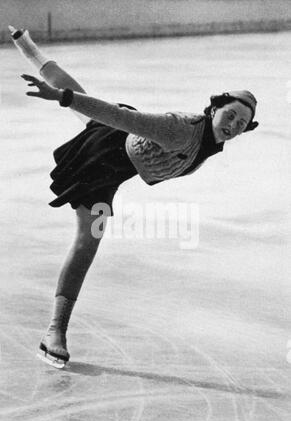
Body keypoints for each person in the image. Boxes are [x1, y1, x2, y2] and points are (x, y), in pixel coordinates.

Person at [10, 26, 259, 368]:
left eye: (242, 123)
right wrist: (61, 98)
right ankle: (55, 331)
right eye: (229, 114)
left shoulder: (211, 142)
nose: (233, 124)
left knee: (79, 97)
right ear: (214, 108)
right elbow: (121, 118)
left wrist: (57, 83)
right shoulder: (179, 129)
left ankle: (24, 42)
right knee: (87, 243)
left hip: (118, 155)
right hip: (101, 161)